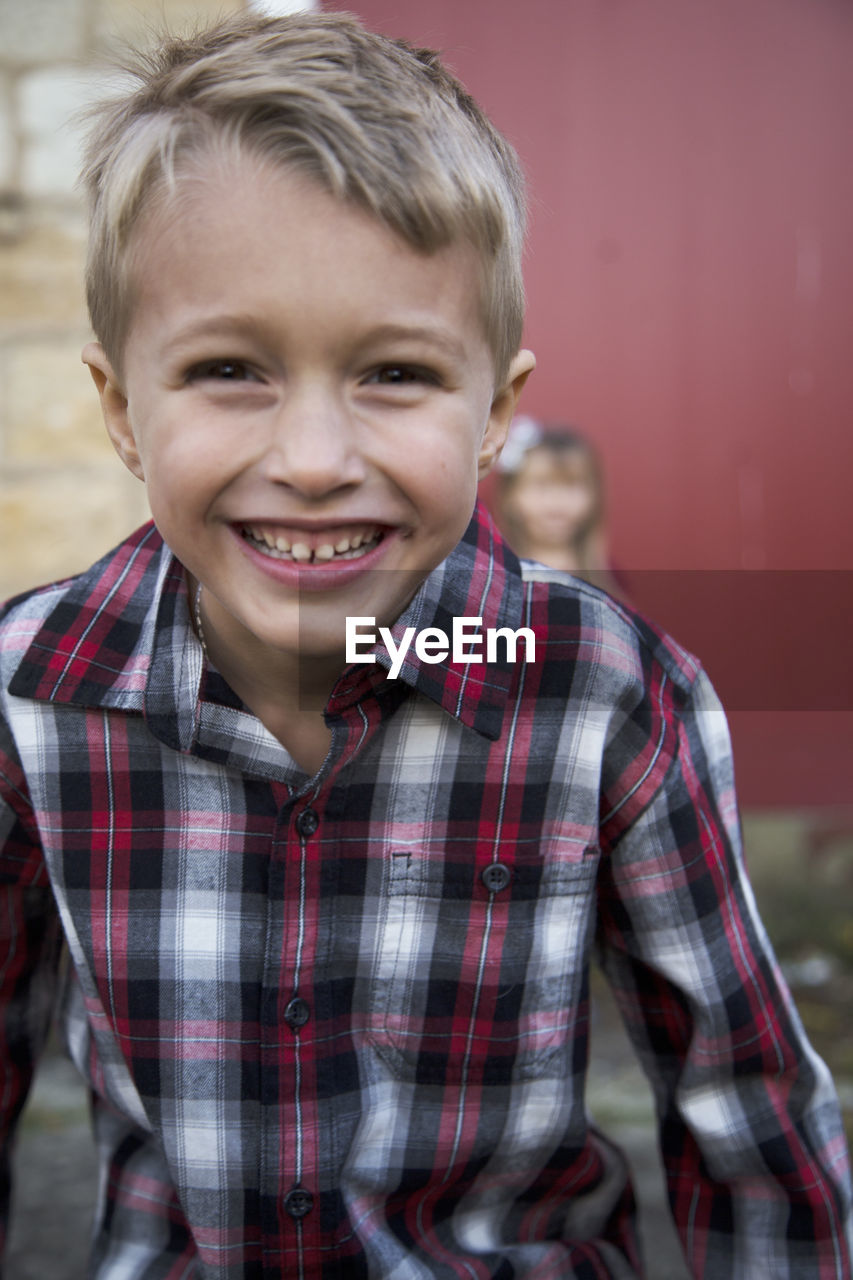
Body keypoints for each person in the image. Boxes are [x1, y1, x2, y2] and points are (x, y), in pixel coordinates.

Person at [0, 11, 850, 1277]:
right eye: (231, 367)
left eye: (394, 374)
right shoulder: (32, 694)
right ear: (122, 408)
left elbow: (751, 1113)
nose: (311, 461)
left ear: (494, 410)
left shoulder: (602, 693)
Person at [494, 416, 624, 594]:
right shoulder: (494, 572)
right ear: (510, 496)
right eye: (542, 487)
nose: (557, 504)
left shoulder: (608, 576)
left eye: (572, 486)